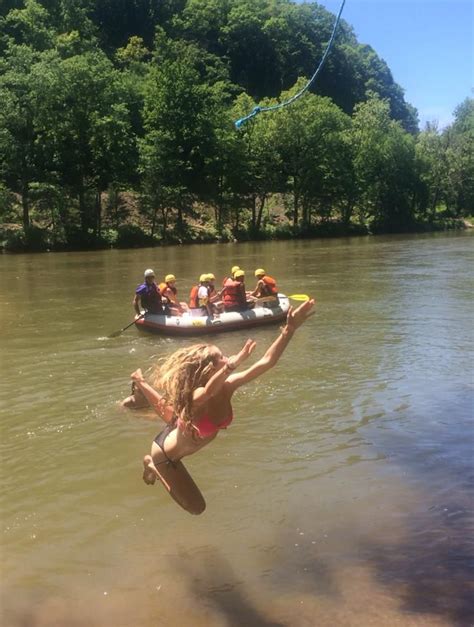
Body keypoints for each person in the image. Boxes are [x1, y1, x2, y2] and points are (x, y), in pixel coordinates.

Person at [123, 298, 315, 514]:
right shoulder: (198, 394)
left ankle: (141, 383)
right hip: (165, 456)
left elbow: (266, 363)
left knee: (176, 416)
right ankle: (151, 466)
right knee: (197, 508)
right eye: (221, 357)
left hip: (183, 432)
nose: (227, 358)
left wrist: (289, 329)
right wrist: (233, 364)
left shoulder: (228, 386)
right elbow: (208, 392)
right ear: (208, 370)